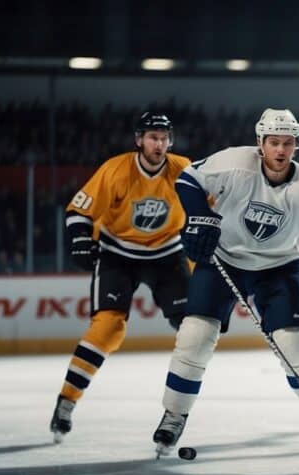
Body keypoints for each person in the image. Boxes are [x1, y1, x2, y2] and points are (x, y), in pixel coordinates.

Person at [153, 108, 299, 456]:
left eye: (287, 143)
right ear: (260, 142)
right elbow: (187, 179)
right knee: (195, 335)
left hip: (280, 265)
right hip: (224, 258)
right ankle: (174, 414)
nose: (280, 150)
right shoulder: (234, 163)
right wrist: (199, 216)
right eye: (274, 142)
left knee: (294, 344)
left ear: (296, 145)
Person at [49, 112, 192, 443]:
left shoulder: (184, 169)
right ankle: (67, 400)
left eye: (164, 137)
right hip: (118, 252)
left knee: (192, 326)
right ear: (139, 140)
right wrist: (81, 239)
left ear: (170, 141)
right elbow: (79, 210)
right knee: (108, 327)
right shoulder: (116, 169)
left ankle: (176, 413)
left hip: (167, 253)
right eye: (152, 136)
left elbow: (213, 208)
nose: (159, 143)